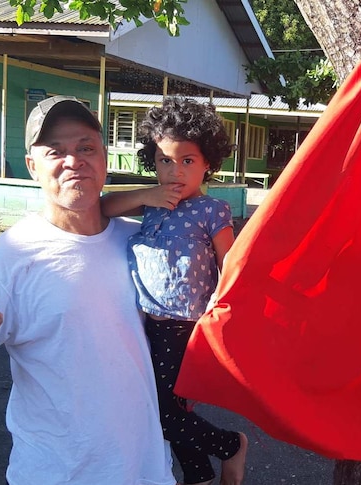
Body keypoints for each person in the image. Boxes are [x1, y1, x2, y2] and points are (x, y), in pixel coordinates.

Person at [0, 95, 176, 485]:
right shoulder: (8, 259)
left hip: (147, 469)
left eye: (85, 148)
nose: (74, 161)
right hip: (59, 473)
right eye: (55, 152)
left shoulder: (144, 242)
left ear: (104, 158)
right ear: (31, 167)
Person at [101, 97, 248, 485]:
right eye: (165, 160)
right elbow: (103, 207)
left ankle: (230, 445)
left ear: (208, 164)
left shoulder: (212, 210)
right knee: (170, 407)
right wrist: (144, 195)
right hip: (144, 324)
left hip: (185, 327)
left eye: (187, 161)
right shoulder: (151, 204)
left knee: (161, 410)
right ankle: (198, 474)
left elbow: (230, 264)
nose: (175, 171)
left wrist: (223, 311)